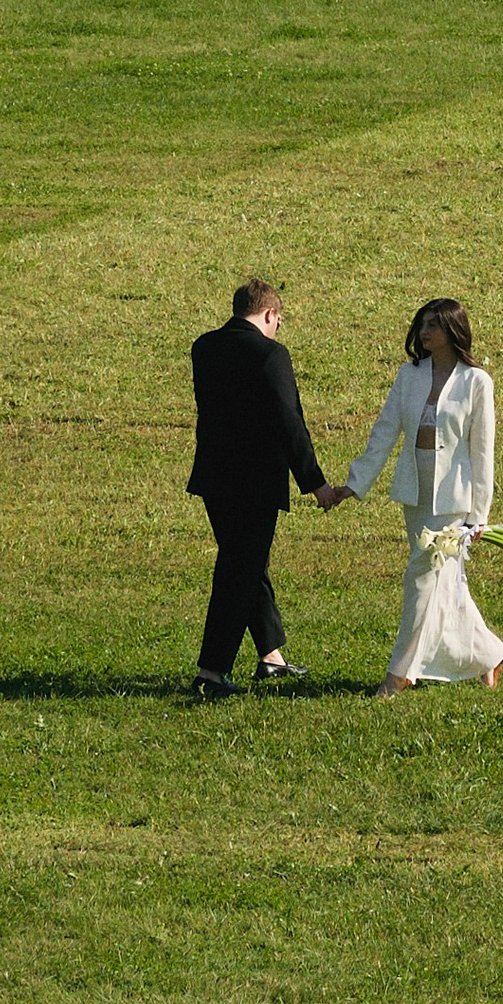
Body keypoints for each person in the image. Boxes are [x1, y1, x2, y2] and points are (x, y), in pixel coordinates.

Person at [340, 295, 503, 693]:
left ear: (452, 330)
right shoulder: (409, 374)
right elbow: (385, 431)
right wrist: (354, 484)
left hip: (455, 498)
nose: (424, 331)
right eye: (422, 324)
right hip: (415, 490)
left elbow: (482, 452)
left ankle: (399, 673)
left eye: (433, 324)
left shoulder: (476, 381)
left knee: (421, 577)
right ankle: (489, 653)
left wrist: (478, 516)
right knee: (445, 581)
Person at [187, 278, 335, 699]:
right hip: (255, 482)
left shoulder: (204, 347)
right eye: (278, 321)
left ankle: (271, 657)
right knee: (239, 571)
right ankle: (211, 672)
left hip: (215, 477)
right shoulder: (271, 354)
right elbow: (289, 422)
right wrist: (316, 484)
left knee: (247, 564)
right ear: (270, 314)